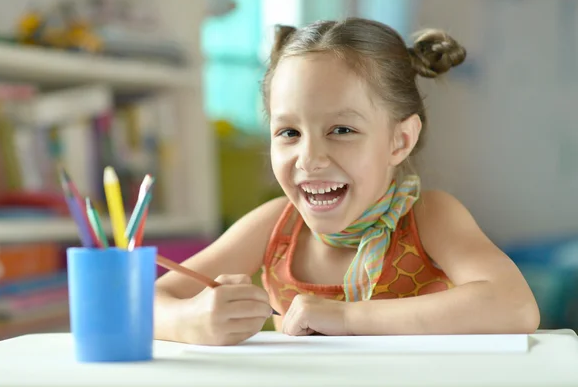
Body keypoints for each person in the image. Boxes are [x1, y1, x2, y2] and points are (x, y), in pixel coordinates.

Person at [153, 17, 540, 346]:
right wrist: (191, 320)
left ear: (399, 140)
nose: (310, 158)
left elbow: (515, 305)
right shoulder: (275, 226)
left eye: (341, 129)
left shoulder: (430, 217)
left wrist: (349, 318)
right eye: (288, 132)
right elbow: (146, 301)